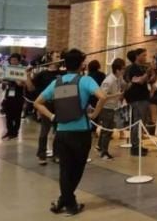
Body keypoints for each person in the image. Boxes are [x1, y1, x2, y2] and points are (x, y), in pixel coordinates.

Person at [34, 48, 106, 216]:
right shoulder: (85, 80)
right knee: (77, 169)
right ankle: (70, 204)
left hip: (61, 131)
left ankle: (62, 201)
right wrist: (94, 114)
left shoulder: (57, 82)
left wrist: (52, 117)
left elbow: (37, 102)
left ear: (65, 65)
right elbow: (102, 97)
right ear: (81, 65)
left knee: (65, 170)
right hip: (81, 131)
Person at [26, 51, 62, 165]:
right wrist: (27, 75)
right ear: (50, 59)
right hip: (46, 105)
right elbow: (31, 88)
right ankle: (42, 155)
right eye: (57, 56)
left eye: (60, 57)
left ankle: (57, 154)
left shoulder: (63, 73)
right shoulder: (42, 74)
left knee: (59, 131)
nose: (59, 58)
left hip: (59, 105)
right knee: (44, 131)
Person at [124, 48, 154, 156]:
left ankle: (139, 144)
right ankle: (135, 147)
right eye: (143, 55)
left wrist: (152, 73)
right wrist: (147, 72)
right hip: (137, 99)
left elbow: (147, 81)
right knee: (137, 122)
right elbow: (139, 81)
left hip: (143, 97)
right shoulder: (133, 68)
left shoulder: (141, 68)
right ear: (137, 56)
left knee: (142, 123)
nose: (145, 57)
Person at [96, 58, 126, 159]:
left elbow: (123, 85)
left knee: (107, 129)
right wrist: (116, 95)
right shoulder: (109, 80)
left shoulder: (118, 78)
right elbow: (102, 95)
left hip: (112, 107)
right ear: (117, 70)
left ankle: (100, 147)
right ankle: (104, 152)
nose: (124, 71)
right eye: (123, 69)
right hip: (106, 107)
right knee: (107, 131)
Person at [1, 53, 26, 139]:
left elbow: (21, 84)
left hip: (18, 95)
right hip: (9, 94)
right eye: (11, 60)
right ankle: (9, 131)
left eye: (15, 60)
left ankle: (15, 132)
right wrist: (3, 81)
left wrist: (13, 76)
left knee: (17, 115)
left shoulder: (22, 70)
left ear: (19, 61)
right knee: (8, 114)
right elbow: (4, 84)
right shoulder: (8, 70)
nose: (13, 62)